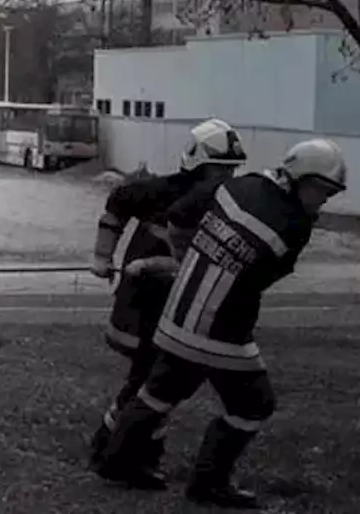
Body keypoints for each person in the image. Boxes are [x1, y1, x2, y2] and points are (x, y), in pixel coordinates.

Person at [95, 138, 348, 509]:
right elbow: (262, 277)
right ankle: (208, 482)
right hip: (221, 329)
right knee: (255, 403)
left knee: (160, 390)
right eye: (320, 190)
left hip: (178, 312)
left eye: (329, 194)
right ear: (298, 177)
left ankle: (114, 460)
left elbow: (179, 218)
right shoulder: (294, 224)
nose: (323, 199)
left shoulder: (235, 185)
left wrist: (186, 260)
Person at [87, 118, 248, 482]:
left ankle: (119, 448)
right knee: (150, 383)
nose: (224, 177)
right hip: (143, 307)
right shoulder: (161, 191)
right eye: (218, 169)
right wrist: (102, 255)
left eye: (230, 169)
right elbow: (117, 201)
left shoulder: (225, 205)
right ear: (198, 163)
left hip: (178, 308)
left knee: (152, 383)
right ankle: (127, 454)